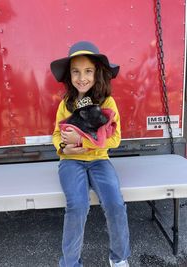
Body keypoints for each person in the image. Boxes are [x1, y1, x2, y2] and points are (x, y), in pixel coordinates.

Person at [50, 41, 130, 267]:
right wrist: (64, 147)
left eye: (88, 71)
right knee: (77, 205)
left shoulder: (107, 103)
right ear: (69, 76)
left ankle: (119, 257)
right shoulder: (66, 104)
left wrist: (86, 142)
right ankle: (70, 262)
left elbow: (115, 138)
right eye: (76, 72)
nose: (81, 77)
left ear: (97, 73)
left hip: (99, 160)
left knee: (115, 202)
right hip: (71, 162)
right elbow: (57, 134)